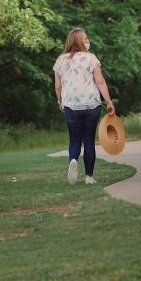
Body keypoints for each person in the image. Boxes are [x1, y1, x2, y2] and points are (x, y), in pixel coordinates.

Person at [53, 28, 115, 185]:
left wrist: (60, 101)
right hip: (91, 105)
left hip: (70, 106)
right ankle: (89, 177)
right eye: (86, 38)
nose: (88, 41)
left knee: (74, 140)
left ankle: (73, 160)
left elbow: (58, 86)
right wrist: (109, 101)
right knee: (88, 141)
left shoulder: (60, 60)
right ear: (80, 41)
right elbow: (100, 81)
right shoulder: (91, 58)